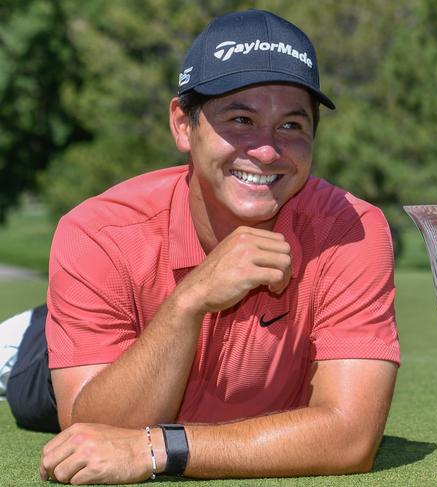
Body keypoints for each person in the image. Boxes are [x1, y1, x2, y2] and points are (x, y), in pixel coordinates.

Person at [2, 9, 399, 484]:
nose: (267, 150)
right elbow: (95, 432)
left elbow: (351, 439)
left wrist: (161, 448)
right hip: (70, 364)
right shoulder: (97, 231)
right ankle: (27, 331)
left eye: (291, 126)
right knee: (27, 383)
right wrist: (190, 299)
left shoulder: (352, 229)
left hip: (181, 419)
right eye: (240, 119)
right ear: (182, 125)